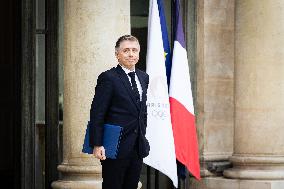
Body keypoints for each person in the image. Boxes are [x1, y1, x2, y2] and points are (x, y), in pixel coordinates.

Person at [89, 35, 150, 189]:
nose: (131, 54)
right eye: (126, 50)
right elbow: (97, 113)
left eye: (134, 50)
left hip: (137, 146)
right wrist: (97, 144)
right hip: (114, 146)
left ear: (139, 53)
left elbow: (141, 111)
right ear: (117, 54)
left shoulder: (144, 77)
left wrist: (143, 135)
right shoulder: (108, 78)